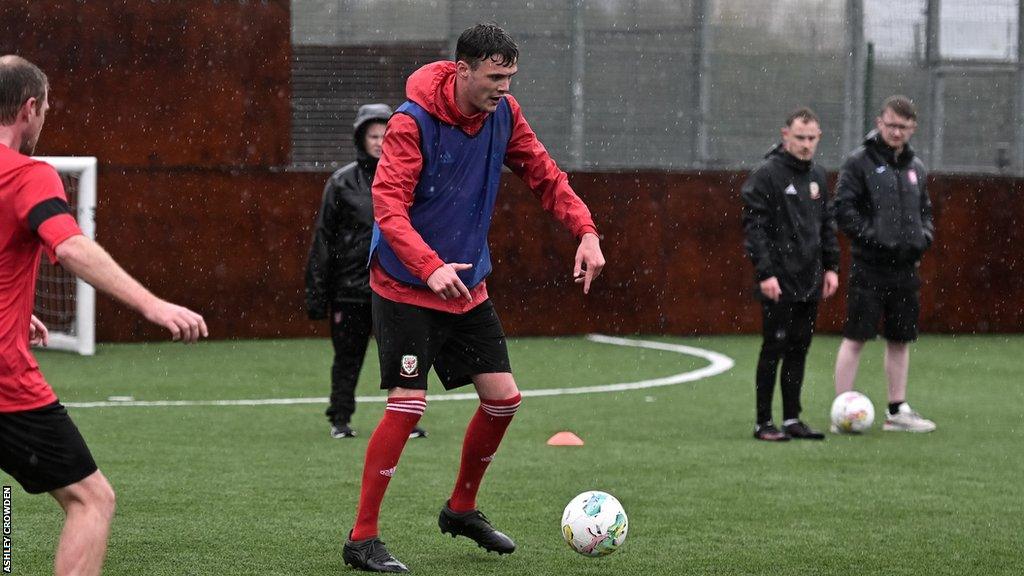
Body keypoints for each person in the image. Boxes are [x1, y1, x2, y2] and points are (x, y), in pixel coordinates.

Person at [340, 24, 605, 573]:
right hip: (404, 285)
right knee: (408, 405)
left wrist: (586, 229)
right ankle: (362, 538)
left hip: (466, 286)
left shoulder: (504, 114)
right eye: (494, 77)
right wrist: (429, 266)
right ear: (462, 71)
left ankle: (461, 509)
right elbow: (388, 208)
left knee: (504, 400)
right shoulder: (409, 123)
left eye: (510, 77)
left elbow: (545, 175)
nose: (504, 88)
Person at [0, 55, 208, 576]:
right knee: (91, 500)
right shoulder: (29, 176)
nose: (44, 119)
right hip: (5, 385)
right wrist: (152, 304)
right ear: (29, 108)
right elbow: (69, 247)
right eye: (45, 109)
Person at [305, 103, 426, 440]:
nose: (379, 141)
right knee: (347, 358)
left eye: (385, 134)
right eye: (372, 135)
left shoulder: (409, 178)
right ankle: (340, 419)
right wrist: (317, 293)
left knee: (404, 358)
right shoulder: (341, 183)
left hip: (396, 286)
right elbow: (323, 241)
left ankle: (407, 420)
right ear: (361, 138)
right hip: (351, 290)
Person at [832, 95, 936, 433]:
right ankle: (842, 408)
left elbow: (926, 213)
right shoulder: (858, 163)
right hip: (870, 266)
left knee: (900, 337)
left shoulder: (915, 167)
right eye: (891, 125)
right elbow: (843, 210)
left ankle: (897, 410)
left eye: (903, 127)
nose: (896, 132)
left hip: (906, 269)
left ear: (912, 128)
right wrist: (873, 239)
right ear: (879, 123)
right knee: (856, 336)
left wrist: (923, 238)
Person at [741, 108, 840, 442]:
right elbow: (754, 229)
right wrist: (765, 273)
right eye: (800, 138)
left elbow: (827, 225)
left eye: (812, 138)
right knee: (774, 348)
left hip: (810, 280)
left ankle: (793, 418)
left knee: (799, 348)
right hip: (778, 281)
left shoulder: (818, 177)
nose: (806, 145)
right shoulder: (767, 175)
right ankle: (763, 422)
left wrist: (831, 267)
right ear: (785, 135)